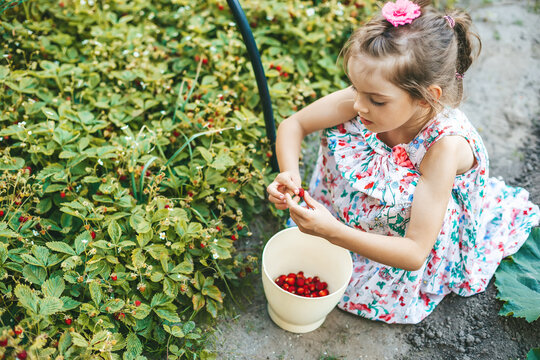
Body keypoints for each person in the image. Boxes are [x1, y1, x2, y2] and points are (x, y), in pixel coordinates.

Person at [266, 0, 539, 324]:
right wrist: (289, 176)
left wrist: (332, 232)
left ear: (427, 97)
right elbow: (293, 125)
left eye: (376, 99)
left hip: (407, 234)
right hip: (344, 216)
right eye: (357, 88)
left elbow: (414, 252)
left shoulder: (444, 148)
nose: (357, 104)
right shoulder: (367, 99)